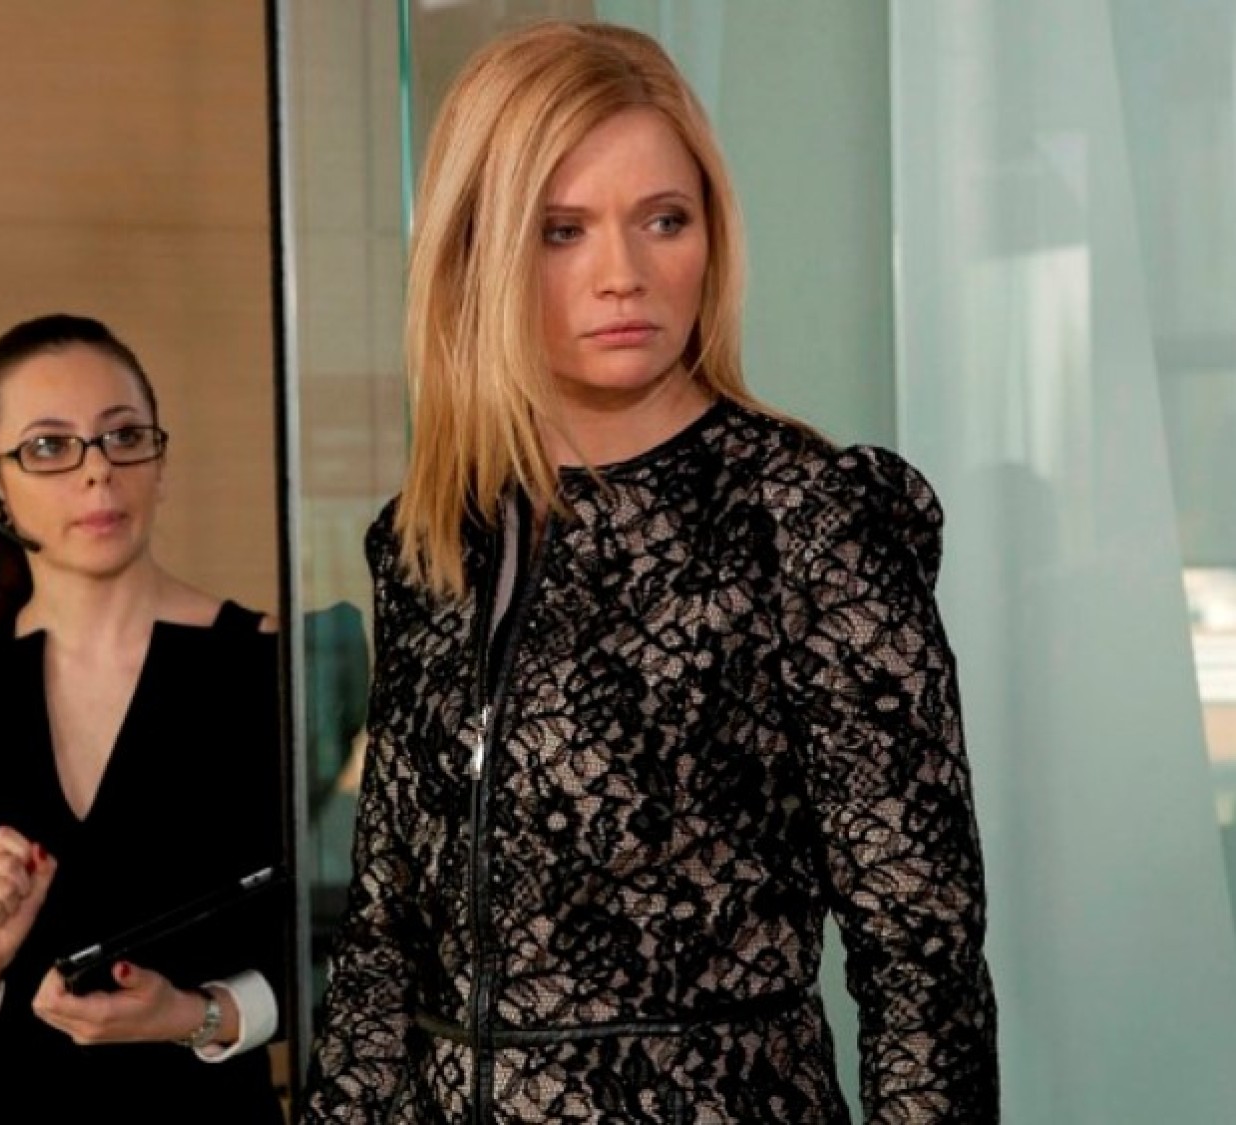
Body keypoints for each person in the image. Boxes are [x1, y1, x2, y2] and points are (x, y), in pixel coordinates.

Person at [300, 18, 997, 1124]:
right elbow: (385, 940)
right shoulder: (430, 536)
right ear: (476, 253)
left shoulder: (803, 519)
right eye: (561, 230)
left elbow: (922, 959)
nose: (623, 275)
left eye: (664, 219)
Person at [0, 313, 288, 1123]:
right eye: (49, 446)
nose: (98, 472)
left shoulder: (270, 664)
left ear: (160, 461)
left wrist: (195, 1013)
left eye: (124, 437)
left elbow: (345, 949)